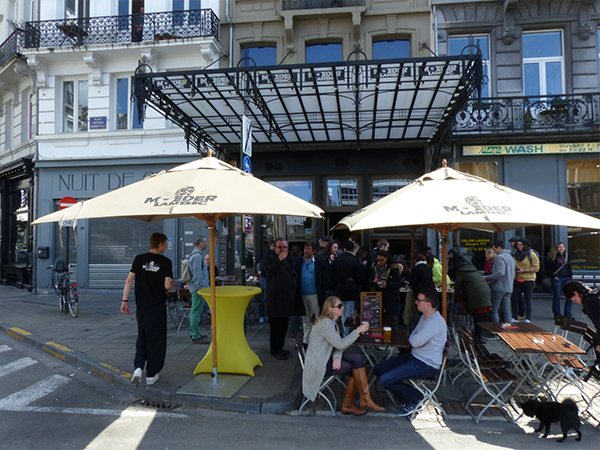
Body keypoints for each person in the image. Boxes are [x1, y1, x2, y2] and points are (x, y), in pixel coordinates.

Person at [302, 296, 384, 415]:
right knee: (353, 368)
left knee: (357, 358)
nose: (343, 308)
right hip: (318, 365)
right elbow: (340, 344)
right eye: (339, 306)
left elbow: (337, 344)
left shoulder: (331, 321)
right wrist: (358, 331)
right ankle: (350, 404)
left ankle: (364, 399)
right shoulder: (326, 324)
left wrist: (337, 358)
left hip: (326, 357)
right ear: (331, 309)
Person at [374, 289, 446, 416]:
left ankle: (416, 399)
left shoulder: (435, 322)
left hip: (426, 364)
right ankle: (406, 398)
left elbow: (413, 342)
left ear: (428, 304)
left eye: (419, 300)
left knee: (385, 380)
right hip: (415, 356)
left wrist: (416, 341)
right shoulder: (425, 317)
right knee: (378, 369)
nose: (416, 302)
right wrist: (417, 341)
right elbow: (413, 337)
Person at [121, 233, 173, 385]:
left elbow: (129, 280)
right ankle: (151, 373)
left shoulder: (139, 259)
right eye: (165, 243)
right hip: (157, 306)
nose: (165, 245)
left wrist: (125, 300)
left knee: (142, 334)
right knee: (156, 338)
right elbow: (167, 285)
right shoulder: (166, 262)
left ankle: (138, 367)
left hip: (142, 305)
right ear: (161, 244)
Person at [264, 238, 304, 360]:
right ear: (274, 247)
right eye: (280, 247)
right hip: (276, 300)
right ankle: (275, 350)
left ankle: (280, 347)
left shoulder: (287, 259)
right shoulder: (270, 258)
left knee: (283, 326)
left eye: (285, 247)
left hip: (285, 299)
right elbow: (269, 271)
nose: (282, 250)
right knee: (276, 327)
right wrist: (279, 259)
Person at [450, 251, 492, 338]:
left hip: (476, 293)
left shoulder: (461, 271)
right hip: (485, 290)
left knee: (477, 314)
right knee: (483, 315)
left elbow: (457, 286)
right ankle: (482, 333)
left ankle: (478, 335)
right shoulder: (472, 269)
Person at [294, 241, 328, 344]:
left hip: (315, 294)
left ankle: (317, 339)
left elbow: (324, 278)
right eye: (305, 248)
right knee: (305, 318)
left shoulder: (319, 263)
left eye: (309, 249)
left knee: (316, 317)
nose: (306, 251)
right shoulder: (299, 262)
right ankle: (306, 340)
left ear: (313, 251)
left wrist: (322, 291)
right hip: (302, 294)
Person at [329, 241, 363, 335]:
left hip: (340, 288)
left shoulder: (338, 260)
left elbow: (331, 275)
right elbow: (360, 276)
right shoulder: (355, 260)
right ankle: (347, 333)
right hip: (351, 289)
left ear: (344, 249)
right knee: (349, 311)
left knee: (341, 311)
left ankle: (342, 332)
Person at [563, 281, 599, 360]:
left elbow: (598, 323)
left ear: (576, 293)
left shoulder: (589, 302)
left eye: (575, 299)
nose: (578, 303)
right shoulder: (595, 294)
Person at [484, 240, 516, 323]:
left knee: (494, 310)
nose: (494, 251)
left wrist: (488, 277)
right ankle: (507, 328)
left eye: (494, 249)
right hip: (508, 287)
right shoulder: (510, 257)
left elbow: (500, 272)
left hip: (499, 287)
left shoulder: (500, 258)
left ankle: (495, 328)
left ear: (499, 248)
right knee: (506, 310)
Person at [370, 250, 403, 327]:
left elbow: (398, 283)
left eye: (382, 260)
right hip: (379, 296)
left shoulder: (394, 268)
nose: (380, 262)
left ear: (387, 259)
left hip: (391, 298)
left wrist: (387, 284)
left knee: (391, 321)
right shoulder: (374, 267)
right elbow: (369, 279)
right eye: (378, 260)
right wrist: (374, 282)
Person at [511, 237, 539, 322]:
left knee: (528, 299)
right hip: (517, 278)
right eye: (517, 245)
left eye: (520, 245)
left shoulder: (531, 254)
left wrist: (524, 270)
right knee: (514, 298)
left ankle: (528, 318)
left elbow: (536, 268)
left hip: (529, 280)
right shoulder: (515, 253)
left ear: (525, 245)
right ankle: (515, 317)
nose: (519, 246)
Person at [187, 236, 209, 344]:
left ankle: (195, 333)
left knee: (196, 311)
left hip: (196, 288)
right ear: (200, 244)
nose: (207, 244)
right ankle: (195, 335)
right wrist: (202, 291)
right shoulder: (197, 257)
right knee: (196, 312)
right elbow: (197, 275)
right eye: (205, 242)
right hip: (198, 289)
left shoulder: (195, 255)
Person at [547, 242, 573, 319]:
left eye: (563, 247)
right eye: (559, 247)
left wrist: (570, 276)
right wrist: (553, 276)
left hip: (566, 278)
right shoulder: (553, 256)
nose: (561, 248)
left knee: (570, 296)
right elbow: (548, 268)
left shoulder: (567, 255)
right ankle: (557, 314)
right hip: (557, 278)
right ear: (556, 248)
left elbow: (569, 266)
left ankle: (568, 314)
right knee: (557, 296)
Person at [257, 240, 275, 324]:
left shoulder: (267, 255)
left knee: (265, 297)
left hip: (267, 277)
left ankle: (264, 315)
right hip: (266, 278)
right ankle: (263, 315)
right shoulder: (268, 255)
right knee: (264, 297)